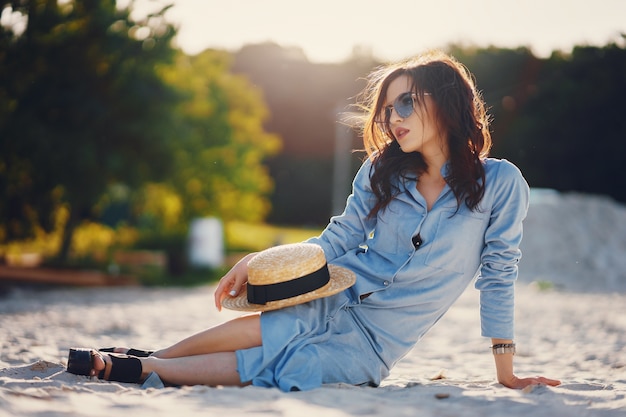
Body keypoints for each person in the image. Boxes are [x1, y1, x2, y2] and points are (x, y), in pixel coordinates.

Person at [68, 49, 560, 392]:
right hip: (336, 294)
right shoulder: (382, 170)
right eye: (388, 109)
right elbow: (342, 235)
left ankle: (143, 367)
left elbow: (499, 274)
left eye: (407, 103)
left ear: (447, 102)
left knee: (283, 363)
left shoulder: (500, 183)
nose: (394, 118)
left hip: (373, 345)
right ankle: (151, 360)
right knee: (277, 326)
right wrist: (261, 260)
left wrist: (506, 372)